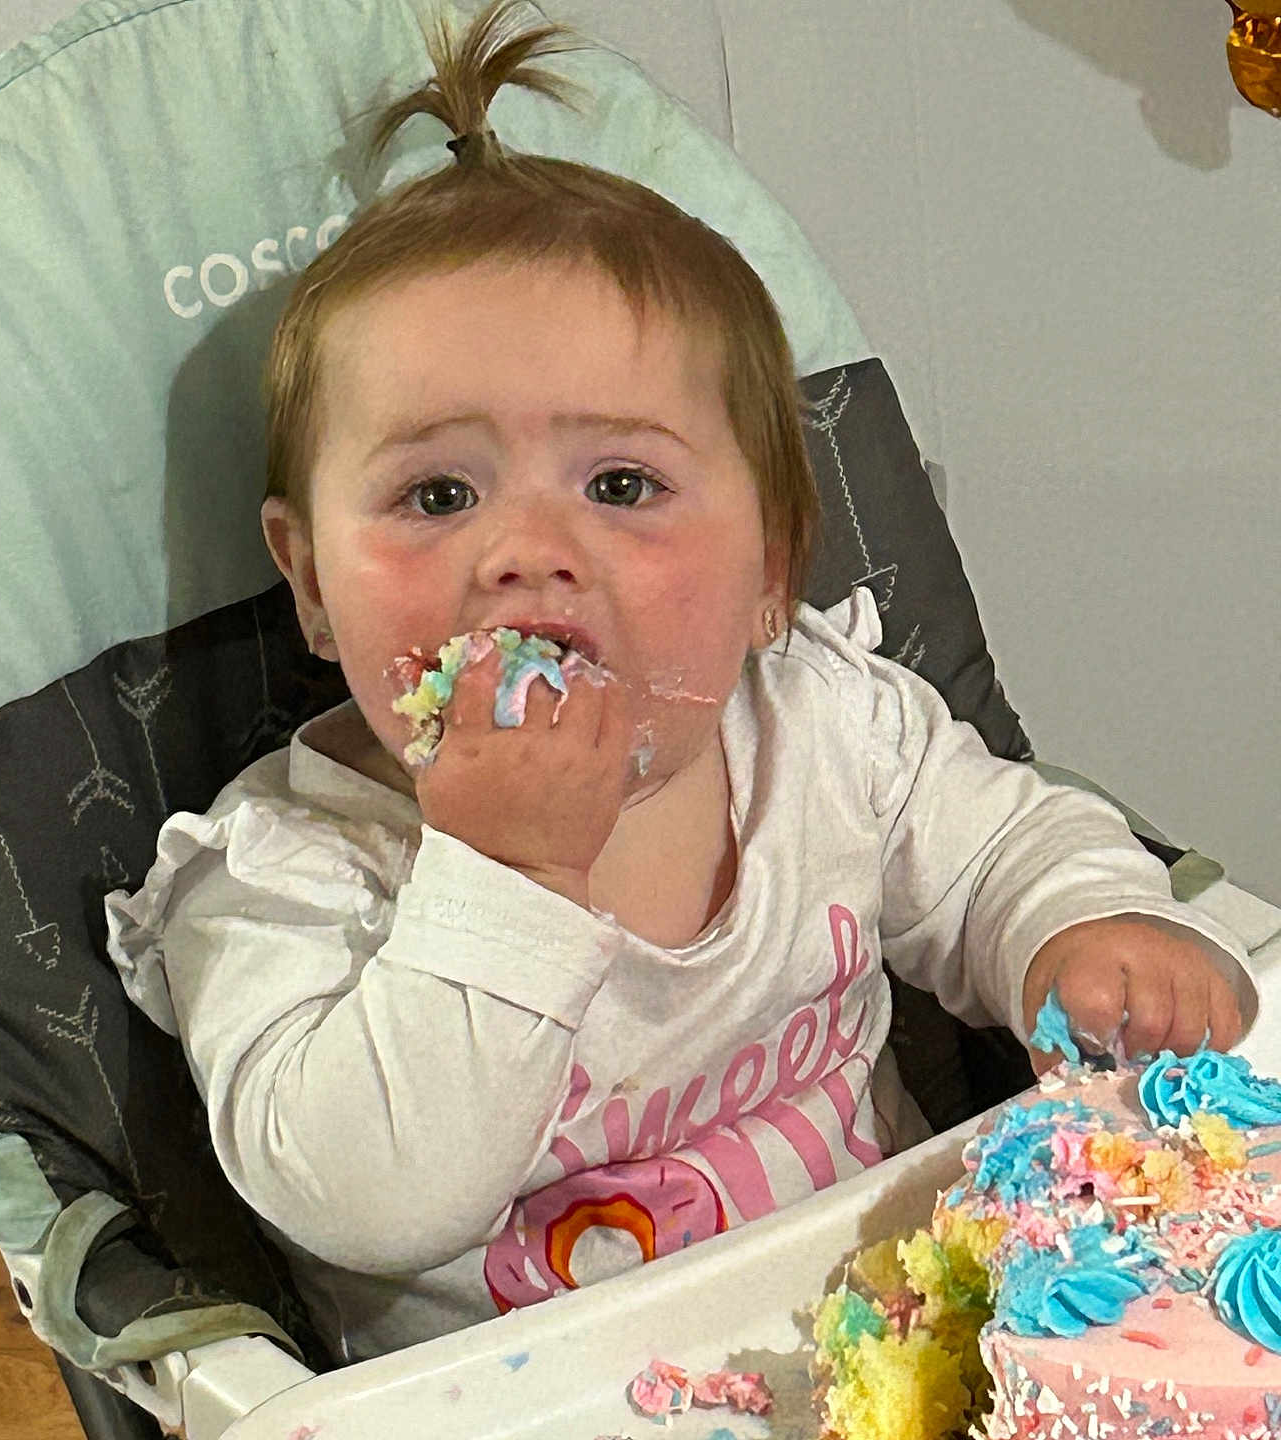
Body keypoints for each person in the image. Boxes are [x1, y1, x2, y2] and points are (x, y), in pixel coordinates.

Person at [105, 0, 1251, 1364]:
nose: (524, 556)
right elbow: (363, 1197)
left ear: (773, 568)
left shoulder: (827, 731)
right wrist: (508, 875)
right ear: (307, 580)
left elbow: (1005, 844)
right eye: (435, 493)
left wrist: (1082, 932)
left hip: (906, 1332)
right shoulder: (287, 874)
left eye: (623, 484)